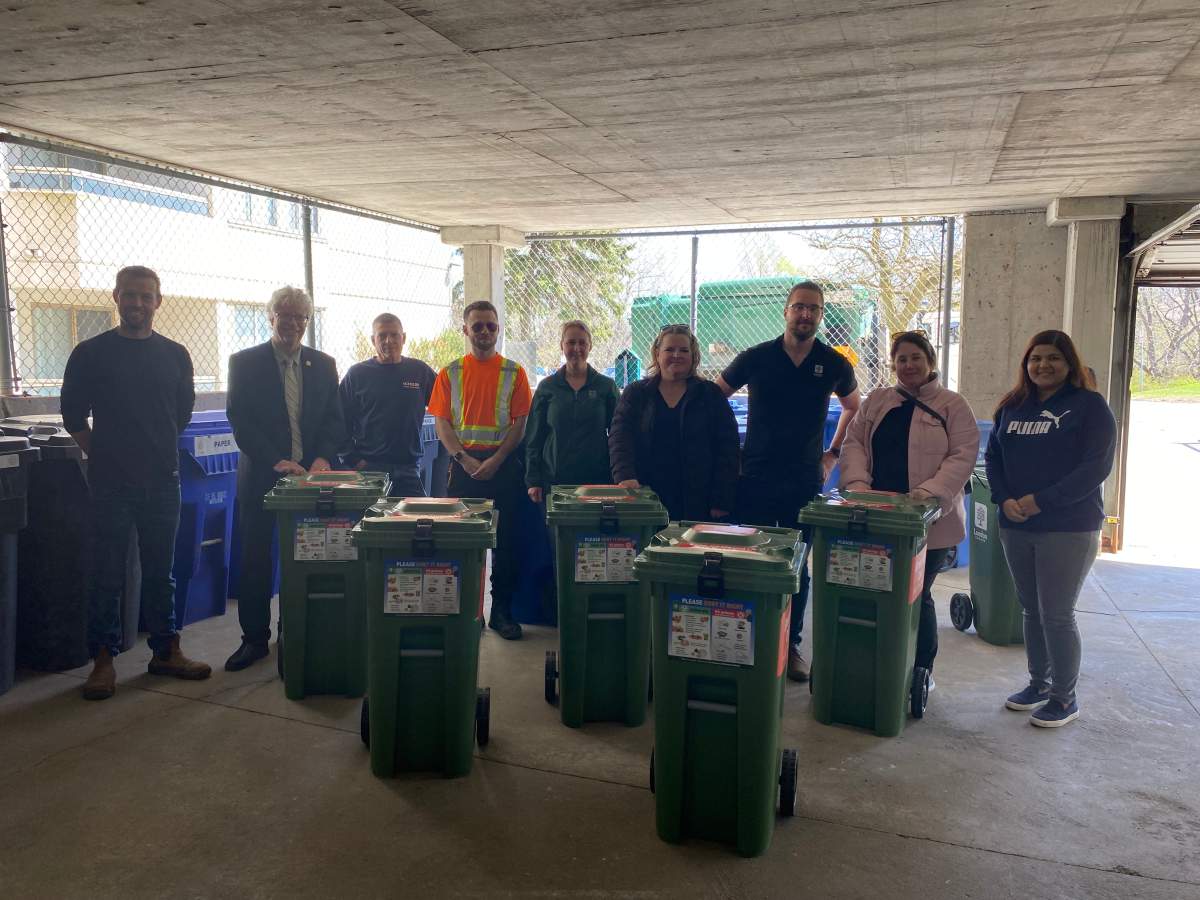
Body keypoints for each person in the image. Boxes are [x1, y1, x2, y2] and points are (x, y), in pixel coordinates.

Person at [61, 265, 211, 700]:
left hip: (164, 482)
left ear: (158, 301)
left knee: (162, 572)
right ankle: (103, 661)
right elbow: (73, 416)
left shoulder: (176, 354)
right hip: (110, 485)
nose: (138, 304)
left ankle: (165, 650)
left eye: (146, 296)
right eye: (130, 295)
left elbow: (181, 412)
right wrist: (104, 455)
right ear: (116, 297)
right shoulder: (90, 353)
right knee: (106, 572)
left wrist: (154, 451)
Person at [716, 279, 862, 682]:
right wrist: (731, 451)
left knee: (796, 566)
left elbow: (854, 407)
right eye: (799, 307)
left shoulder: (833, 363)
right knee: (750, 557)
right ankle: (743, 640)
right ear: (785, 311)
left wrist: (832, 454)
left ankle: (790, 645)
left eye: (813, 309)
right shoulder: (757, 357)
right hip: (755, 476)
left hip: (803, 480)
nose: (805, 314)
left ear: (820, 315)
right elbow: (716, 397)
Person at [985, 330, 1116, 728]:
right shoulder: (1013, 405)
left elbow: (1096, 467)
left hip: (1067, 527)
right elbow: (993, 457)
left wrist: (1042, 500)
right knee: (1030, 609)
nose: (1043, 365)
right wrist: (1004, 498)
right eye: (1035, 358)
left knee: (1056, 614)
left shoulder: (1089, 406)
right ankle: (1038, 684)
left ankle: (1064, 697)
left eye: (1053, 358)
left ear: (1069, 363)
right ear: (1026, 364)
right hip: (1016, 523)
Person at [839, 330, 979, 686]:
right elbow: (854, 443)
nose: (908, 365)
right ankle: (878, 661)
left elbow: (963, 455)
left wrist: (929, 493)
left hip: (930, 523)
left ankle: (920, 669)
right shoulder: (878, 401)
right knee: (875, 591)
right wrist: (857, 485)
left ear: (930, 360)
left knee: (917, 593)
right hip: (875, 516)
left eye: (916, 357)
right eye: (901, 359)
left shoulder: (953, 404)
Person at [224, 286, 345, 671]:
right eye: (285, 315)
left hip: (311, 480)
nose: (292, 323)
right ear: (270, 316)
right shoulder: (244, 363)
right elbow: (240, 421)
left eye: (300, 317)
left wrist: (323, 457)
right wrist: (276, 460)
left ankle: (296, 631)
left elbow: (334, 418)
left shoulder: (323, 364)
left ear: (307, 322)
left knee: (307, 557)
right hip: (263, 475)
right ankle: (254, 639)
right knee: (256, 558)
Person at [429, 300, 533, 641]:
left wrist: (497, 459)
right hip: (463, 467)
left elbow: (520, 423)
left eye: (491, 326)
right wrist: (463, 459)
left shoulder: (514, 373)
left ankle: (501, 612)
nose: (485, 332)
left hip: (503, 466)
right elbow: (442, 422)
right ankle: (467, 612)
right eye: (478, 326)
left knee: (508, 543)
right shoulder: (450, 372)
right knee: (463, 544)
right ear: (466, 330)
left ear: (498, 329)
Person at [609, 324, 738, 521]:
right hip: (645, 497)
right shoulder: (636, 393)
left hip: (697, 501)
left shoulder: (710, 394)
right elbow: (619, 437)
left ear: (693, 356)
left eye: (683, 350)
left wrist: (721, 499)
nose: (676, 355)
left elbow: (727, 448)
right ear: (657, 354)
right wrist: (624, 476)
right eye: (669, 349)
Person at [340, 313, 437, 497]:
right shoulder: (357, 375)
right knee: (371, 524)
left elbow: (445, 408)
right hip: (369, 469)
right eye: (382, 335)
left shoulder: (419, 371)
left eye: (394, 335)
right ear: (372, 340)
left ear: (404, 338)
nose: (388, 341)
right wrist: (354, 460)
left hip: (409, 468)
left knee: (417, 521)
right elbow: (338, 420)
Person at [525, 320, 620, 502]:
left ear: (590, 346)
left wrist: (619, 475)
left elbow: (619, 435)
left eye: (582, 342)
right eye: (571, 342)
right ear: (562, 346)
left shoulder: (606, 387)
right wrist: (533, 480)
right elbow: (533, 438)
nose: (576, 348)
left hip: (597, 481)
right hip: (554, 481)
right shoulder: (547, 388)